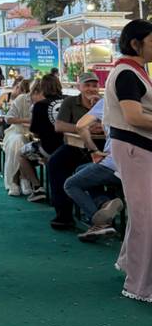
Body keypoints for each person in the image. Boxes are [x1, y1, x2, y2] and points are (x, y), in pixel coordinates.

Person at [103, 19, 152, 303]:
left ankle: (133, 270)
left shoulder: (135, 71)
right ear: (136, 43)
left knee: (143, 215)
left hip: (138, 149)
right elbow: (133, 116)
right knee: (146, 217)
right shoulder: (126, 73)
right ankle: (140, 285)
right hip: (135, 149)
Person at [64, 98, 123, 242]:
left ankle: (98, 223)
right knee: (82, 169)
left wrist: (93, 150)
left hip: (115, 164)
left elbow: (80, 126)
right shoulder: (144, 101)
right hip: (140, 164)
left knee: (71, 184)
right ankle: (104, 203)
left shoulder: (107, 101)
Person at [47, 72, 100, 230]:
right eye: (87, 85)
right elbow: (59, 126)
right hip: (75, 146)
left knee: (95, 168)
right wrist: (82, 128)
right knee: (55, 163)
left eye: (94, 85)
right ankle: (63, 214)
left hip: (101, 146)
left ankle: (99, 208)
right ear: (79, 87)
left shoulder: (104, 103)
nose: (91, 89)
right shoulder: (70, 102)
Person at [20, 73, 64, 203]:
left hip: (48, 148)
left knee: (22, 154)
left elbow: (35, 133)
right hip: (70, 147)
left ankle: (37, 188)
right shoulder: (69, 100)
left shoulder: (39, 105)